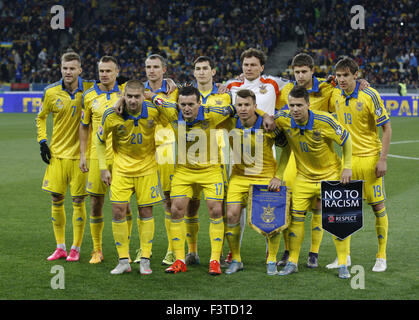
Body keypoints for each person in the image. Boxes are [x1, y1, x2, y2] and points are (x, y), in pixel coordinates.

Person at [146, 86, 274, 275]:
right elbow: (149, 95)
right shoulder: (170, 109)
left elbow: (237, 108)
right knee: (176, 209)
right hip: (184, 170)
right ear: (178, 104)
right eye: (183, 104)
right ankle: (180, 259)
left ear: (200, 103)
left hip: (211, 169)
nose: (187, 108)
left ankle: (214, 260)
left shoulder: (213, 113)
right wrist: (120, 101)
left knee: (215, 209)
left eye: (191, 104)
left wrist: (265, 115)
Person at [275, 86, 353, 279]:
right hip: (303, 178)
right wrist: (278, 174)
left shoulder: (324, 120)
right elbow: (282, 144)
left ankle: (343, 263)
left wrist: (347, 167)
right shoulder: (283, 119)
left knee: (338, 220)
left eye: (299, 105)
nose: (295, 109)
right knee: (296, 219)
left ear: (308, 105)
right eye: (292, 105)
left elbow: (346, 139)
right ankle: (293, 261)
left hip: (331, 176)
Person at [225, 48, 288, 263]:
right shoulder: (232, 86)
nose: (249, 68)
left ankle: (274, 255)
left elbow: (302, 84)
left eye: (253, 64)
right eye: (245, 64)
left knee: (268, 205)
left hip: (265, 153)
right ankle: (234, 251)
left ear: (262, 67)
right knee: (235, 210)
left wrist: (274, 116)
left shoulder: (274, 83)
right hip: (237, 154)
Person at [328, 57, 391, 272]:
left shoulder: (370, 94)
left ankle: (381, 256)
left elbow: (387, 129)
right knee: (342, 210)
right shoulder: (335, 92)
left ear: (356, 75)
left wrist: (382, 159)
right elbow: (313, 81)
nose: (341, 79)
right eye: (339, 76)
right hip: (347, 161)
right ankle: (343, 257)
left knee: (377, 207)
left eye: (346, 75)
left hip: (369, 159)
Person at [96, 79, 163, 274]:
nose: (133, 101)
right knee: (118, 212)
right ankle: (123, 260)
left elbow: (173, 111)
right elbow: (100, 140)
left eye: (137, 96)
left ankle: (145, 259)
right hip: (121, 170)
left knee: (146, 212)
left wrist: (156, 96)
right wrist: (103, 168)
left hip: (147, 170)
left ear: (144, 96)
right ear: (123, 95)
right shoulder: (111, 114)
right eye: (129, 96)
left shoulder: (153, 111)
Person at [36, 52, 94, 262]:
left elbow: (118, 84)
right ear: (60, 68)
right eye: (65, 68)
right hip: (57, 155)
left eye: (72, 68)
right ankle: (60, 246)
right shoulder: (50, 92)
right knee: (56, 199)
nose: (68, 72)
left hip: (81, 157)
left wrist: (167, 81)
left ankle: (75, 248)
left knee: (78, 201)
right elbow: (40, 118)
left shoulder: (90, 89)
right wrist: (42, 141)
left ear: (80, 69)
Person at [79, 56, 129, 264]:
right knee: (95, 203)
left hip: (121, 157)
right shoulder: (89, 95)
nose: (104, 74)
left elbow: (154, 86)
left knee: (124, 206)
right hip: (96, 156)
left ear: (117, 72)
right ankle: (97, 250)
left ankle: (124, 251)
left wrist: (172, 83)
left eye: (108, 71)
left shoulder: (127, 92)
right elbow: (84, 125)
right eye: (101, 71)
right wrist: (82, 154)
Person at [184, 56, 233, 266]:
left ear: (213, 71)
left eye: (205, 68)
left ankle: (218, 253)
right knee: (190, 206)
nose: (202, 72)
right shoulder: (184, 94)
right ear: (193, 72)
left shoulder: (225, 96)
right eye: (198, 69)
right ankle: (192, 252)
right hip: (189, 159)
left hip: (217, 158)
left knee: (217, 207)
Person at [137, 53, 179, 266]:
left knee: (168, 201)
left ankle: (172, 249)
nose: (151, 70)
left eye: (155, 66)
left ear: (164, 70)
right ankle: (144, 249)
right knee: (142, 202)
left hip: (167, 150)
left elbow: (175, 111)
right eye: (148, 66)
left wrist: (158, 93)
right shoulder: (136, 91)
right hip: (143, 151)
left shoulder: (174, 90)